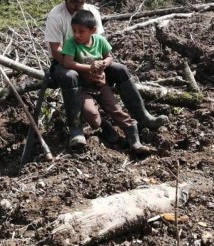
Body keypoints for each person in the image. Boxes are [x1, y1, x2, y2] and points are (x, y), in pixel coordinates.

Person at [44, 0, 167, 148]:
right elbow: (57, 52)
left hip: (92, 62)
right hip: (65, 63)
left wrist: (100, 70)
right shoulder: (56, 15)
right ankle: (76, 130)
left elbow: (100, 46)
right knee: (71, 76)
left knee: (120, 69)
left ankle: (142, 117)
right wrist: (86, 70)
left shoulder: (92, 12)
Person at [62, 10, 151, 154]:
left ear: (93, 30)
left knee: (116, 110)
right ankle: (105, 125)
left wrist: (104, 64)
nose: (77, 35)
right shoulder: (71, 43)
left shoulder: (100, 41)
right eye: (74, 31)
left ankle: (134, 140)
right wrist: (88, 67)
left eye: (81, 31)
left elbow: (109, 57)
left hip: (101, 85)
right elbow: (67, 62)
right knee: (93, 118)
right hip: (83, 88)